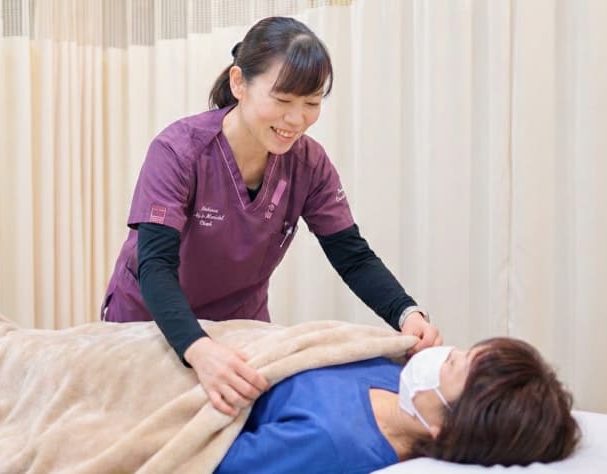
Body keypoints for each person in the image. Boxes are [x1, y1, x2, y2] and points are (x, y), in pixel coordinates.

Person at [102, 16, 442, 417]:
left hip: (240, 329)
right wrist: (198, 348)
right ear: (239, 83)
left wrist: (406, 313)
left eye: (311, 103)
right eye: (282, 100)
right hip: (152, 325)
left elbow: (351, 255)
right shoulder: (179, 151)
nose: (296, 120)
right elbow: (156, 265)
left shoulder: (309, 164)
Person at [215, 337, 581, 473]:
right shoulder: (398, 379)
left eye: (453, 365)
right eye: (462, 352)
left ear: (446, 427)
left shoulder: (331, 445)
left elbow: (211, 460)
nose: (445, 353)